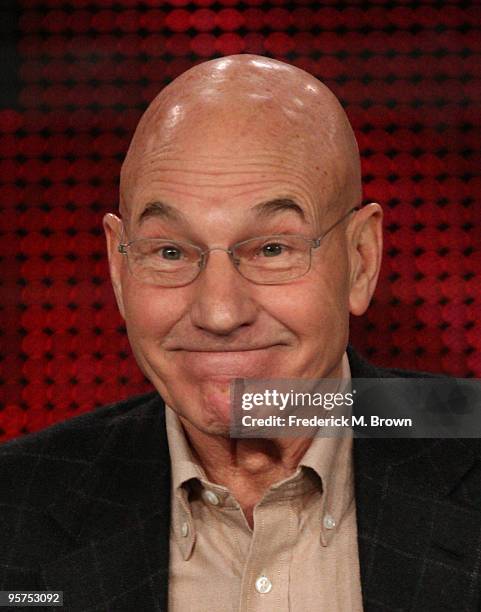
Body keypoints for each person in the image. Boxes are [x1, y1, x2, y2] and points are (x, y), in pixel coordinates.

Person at [1, 55, 480, 612]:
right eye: (171, 252)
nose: (220, 312)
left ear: (360, 260)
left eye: (273, 248)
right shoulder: (14, 509)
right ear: (118, 265)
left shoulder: (463, 433)